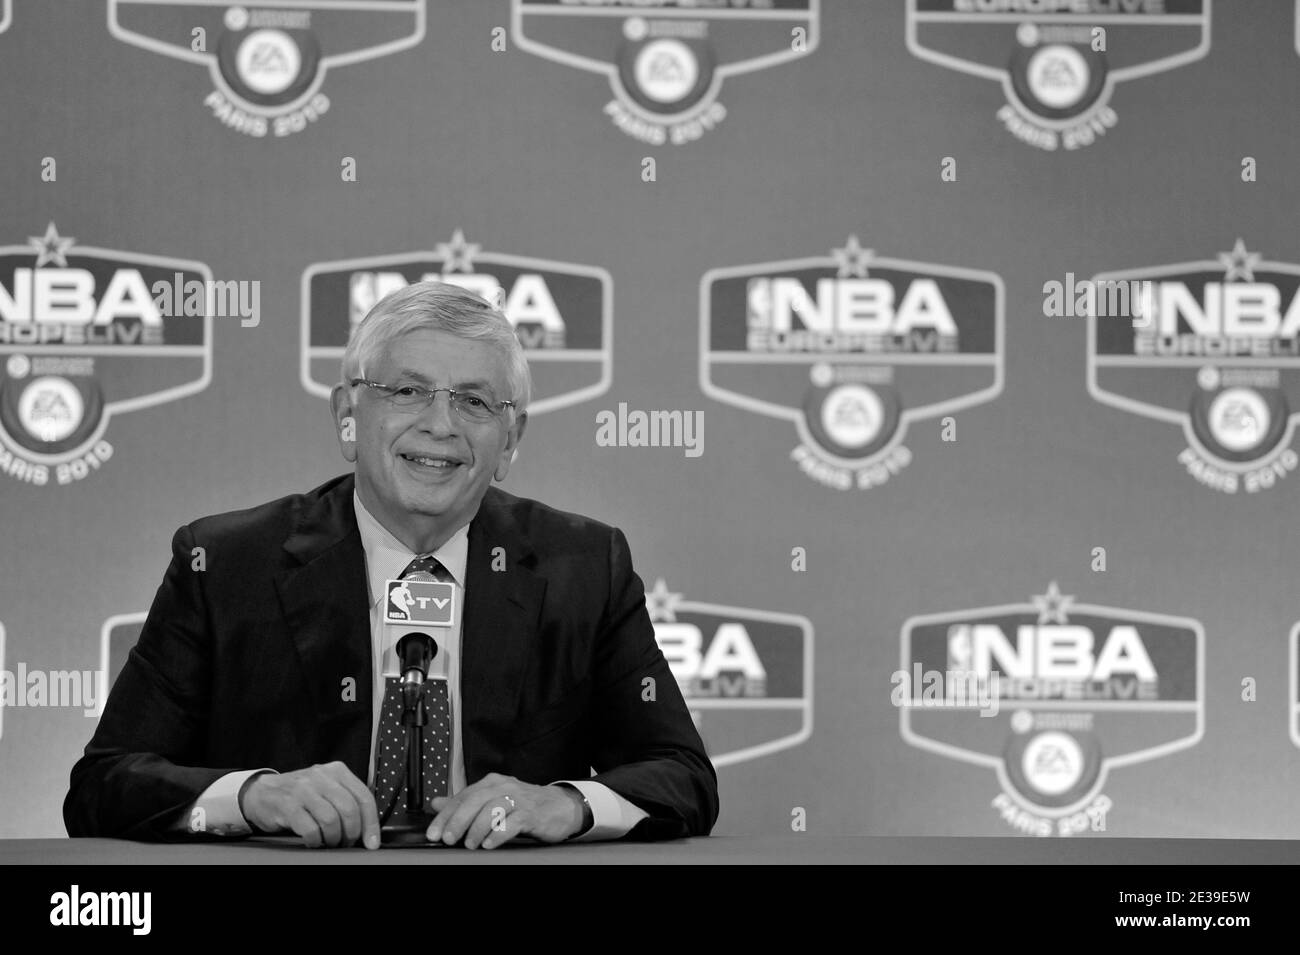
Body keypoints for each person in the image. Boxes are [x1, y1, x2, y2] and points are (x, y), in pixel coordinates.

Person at [64, 281, 719, 849]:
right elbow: (104, 784)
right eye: (408, 390)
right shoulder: (226, 564)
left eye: (474, 401)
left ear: (510, 442)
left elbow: (681, 772)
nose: (440, 425)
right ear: (349, 416)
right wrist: (255, 795)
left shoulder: (584, 568)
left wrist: (567, 803)